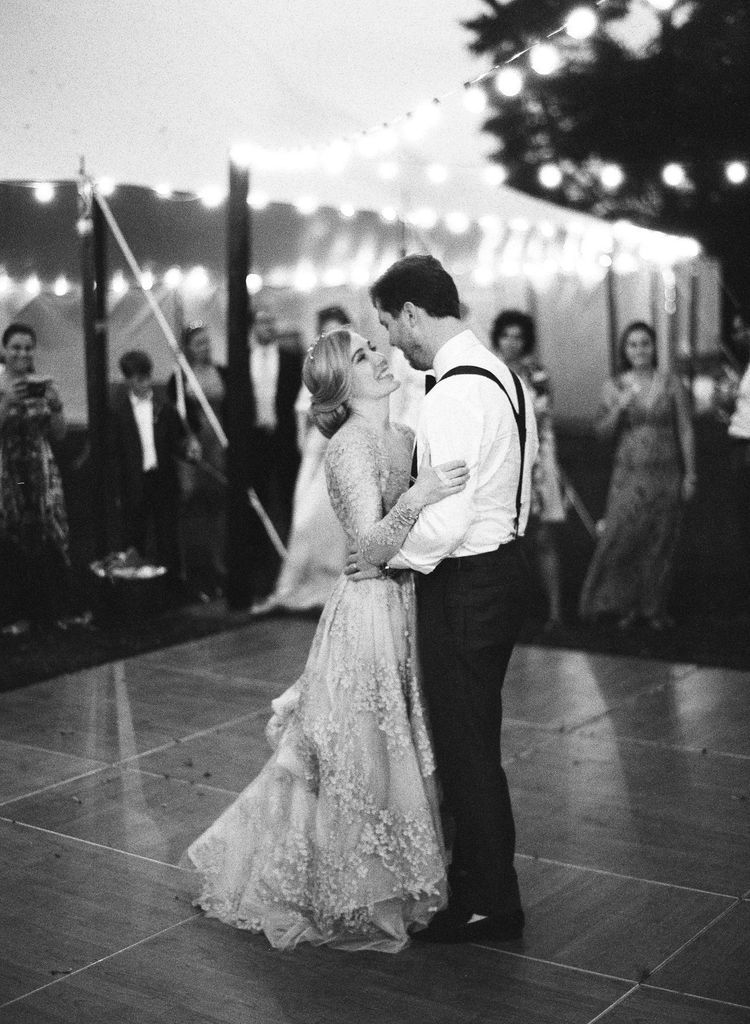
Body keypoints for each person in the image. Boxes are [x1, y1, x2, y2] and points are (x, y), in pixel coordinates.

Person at [183, 327, 469, 952]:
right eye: (365, 357)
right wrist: (420, 497)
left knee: (396, 744)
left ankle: (390, 876)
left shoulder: (404, 437)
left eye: (376, 347)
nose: (382, 357)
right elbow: (367, 545)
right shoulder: (349, 447)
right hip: (368, 611)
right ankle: (345, 886)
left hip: (403, 601)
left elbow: (398, 542)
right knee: (361, 751)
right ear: (344, 385)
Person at [351, 254, 539, 945]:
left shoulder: (454, 393)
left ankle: (490, 902)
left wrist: (381, 554)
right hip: (504, 568)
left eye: (388, 324)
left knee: (465, 748)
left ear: (411, 314)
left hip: (467, 583)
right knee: (473, 738)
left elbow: (448, 517)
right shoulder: (503, 377)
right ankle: (484, 885)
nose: (392, 342)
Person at [579, 321, 697, 631]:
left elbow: (685, 428)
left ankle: (653, 607)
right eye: (633, 345)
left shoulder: (671, 383)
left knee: (661, 539)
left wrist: (691, 474)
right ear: (624, 350)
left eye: (645, 343)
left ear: (654, 347)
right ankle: (623, 605)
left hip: (667, 470)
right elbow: (601, 433)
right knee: (625, 538)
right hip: (630, 473)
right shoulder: (615, 385)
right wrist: (619, 407)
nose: (639, 350)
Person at [251, 307, 350, 615]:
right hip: (313, 450)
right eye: (327, 331)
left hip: (339, 448)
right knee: (303, 518)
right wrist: (302, 442)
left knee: (333, 521)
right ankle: (294, 584)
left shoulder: (352, 368)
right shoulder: (314, 367)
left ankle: (330, 584)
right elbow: (300, 409)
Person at [491, 310, 566, 631]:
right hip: (502, 458)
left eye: (518, 336)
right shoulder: (489, 369)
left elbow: (542, 413)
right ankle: (510, 611)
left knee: (544, 536)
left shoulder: (537, 373)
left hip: (536, 458)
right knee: (505, 538)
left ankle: (555, 611)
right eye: (507, 335)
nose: (512, 342)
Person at [0, 323, 72, 634]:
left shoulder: (40, 384)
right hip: (7, 471)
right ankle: (14, 614)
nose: (22, 353)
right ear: (4, 350)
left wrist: (56, 405)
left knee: (47, 533)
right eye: (15, 347)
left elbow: (59, 434)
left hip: (40, 469)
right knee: (11, 537)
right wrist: (6, 404)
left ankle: (48, 611)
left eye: (28, 347)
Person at [111, 349, 200, 591]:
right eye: (138, 379)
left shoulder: (165, 408)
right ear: (128, 380)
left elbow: (177, 442)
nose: (144, 383)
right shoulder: (118, 412)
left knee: (167, 536)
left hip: (162, 479)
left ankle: (170, 586)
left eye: (147, 377)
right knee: (134, 536)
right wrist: (118, 491)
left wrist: (189, 451)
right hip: (134, 483)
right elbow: (116, 454)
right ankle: (133, 589)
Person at [167, 321, 227, 594]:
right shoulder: (179, 378)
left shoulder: (221, 372)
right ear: (188, 348)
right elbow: (174, 416)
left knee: (217, 501)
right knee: (190, 499)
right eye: (198, 343)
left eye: (207, 342)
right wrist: (186, 440)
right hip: (193, 444)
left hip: (218, 442)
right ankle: (188, 561)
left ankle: (217, 560)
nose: (205, 347)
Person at [248, 306, 303, 597]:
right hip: (256, 440)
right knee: (257, 500)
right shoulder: (243, 360)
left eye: (272, 321)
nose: (268, 327)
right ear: (253, 327)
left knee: (287, 497)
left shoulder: (292, 360)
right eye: (262, 322)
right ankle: (259, 564)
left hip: (284, 441)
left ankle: (290, 559)